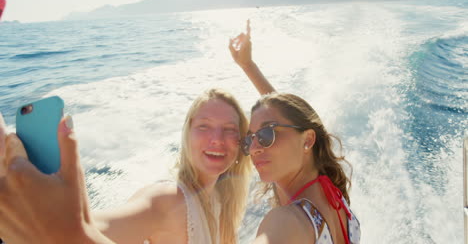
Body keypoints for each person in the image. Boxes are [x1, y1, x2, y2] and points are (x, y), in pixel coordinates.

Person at [0, 88, 252, 244]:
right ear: (186, 136)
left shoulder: (223, 202)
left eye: (229, 129)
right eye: (204, 126)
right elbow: (100, 228)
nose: (217, 138)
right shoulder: (169, 200)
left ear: (241, 142)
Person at [229, 20, 361, 244]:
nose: (253, 148)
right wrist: (248, 66)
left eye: (266, 135)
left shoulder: (286, 222)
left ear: (308, 141)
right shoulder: (331, 194)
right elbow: (292, 120)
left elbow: (290, 120)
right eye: (250, 139)